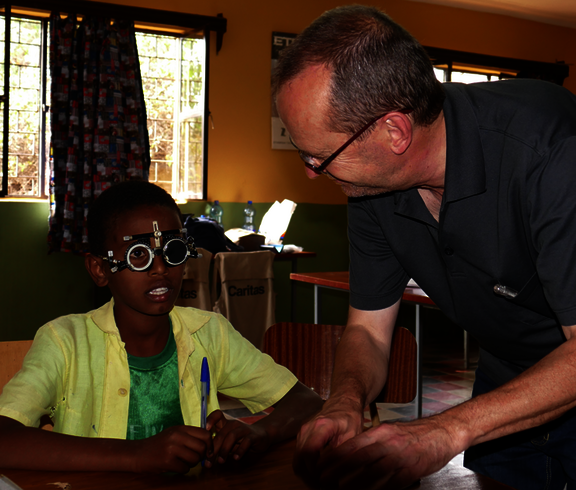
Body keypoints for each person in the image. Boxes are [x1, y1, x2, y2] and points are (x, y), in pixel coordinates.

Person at [272, 5, 576, 490]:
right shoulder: (372, 185)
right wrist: (344, 402)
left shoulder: (552, 151)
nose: (311, 171)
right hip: (508, 375)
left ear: (394, 132)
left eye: (318, 155)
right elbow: (369, 333)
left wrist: (442, 431)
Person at [0, 180, 322, 473]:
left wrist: (258, 432)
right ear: (99, 269)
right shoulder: (65, 343)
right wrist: (138, 455)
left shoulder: (208, 333)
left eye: (173, 251)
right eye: (138, 254)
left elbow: (306, 402)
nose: (160, 268)